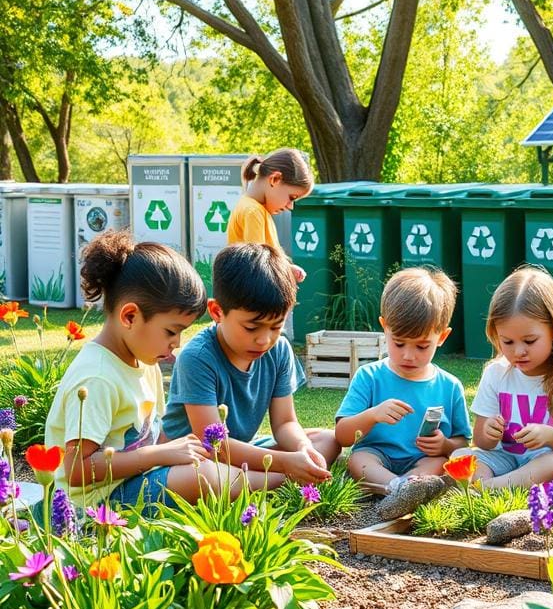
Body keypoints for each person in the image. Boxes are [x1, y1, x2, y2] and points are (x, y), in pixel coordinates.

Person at [46, 230, 212, 510]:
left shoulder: (143, 360)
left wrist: (176, 453)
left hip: (134, 483)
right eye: (171, 331)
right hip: (90, 506)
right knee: (206, 478)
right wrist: (158, 455)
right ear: (130, 316)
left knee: (206, 466)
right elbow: (76, 471)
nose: (176, 343)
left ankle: (281, 474)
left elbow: (155, 435)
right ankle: (283, 477)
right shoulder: (96, 377)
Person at [162, 243, 338, 488]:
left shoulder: (279, 350)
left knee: (327, 440)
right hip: (192, 459)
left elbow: (285, 423)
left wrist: (303, 448)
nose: (264, 339)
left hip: (242, 452)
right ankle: (284, 480)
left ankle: (268, 481)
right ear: (216, 311)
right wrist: (286, 464)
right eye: (251, 327)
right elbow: (215, 445)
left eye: (276, 327)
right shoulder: (197, 357)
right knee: (206, 476)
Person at [334, 268, 471, 519]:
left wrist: (445, 444)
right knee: (359, 460)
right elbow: (342, 436)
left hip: (422, 461)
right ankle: (397, 488)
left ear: (442, 337)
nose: (409, 355)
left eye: (421, 346)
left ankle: (410, 487)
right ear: (384, 327)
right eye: (398, 343)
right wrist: (373, 415)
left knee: (439, 462)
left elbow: (462, 443)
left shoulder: (449, 386)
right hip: (377, 457)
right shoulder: (369, 376)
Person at [455, 266, 553, 489]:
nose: (518, 352)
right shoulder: (496, 372)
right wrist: (489, 430)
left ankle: (487, 490)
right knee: (461, 454)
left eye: (529, 341)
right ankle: (499, 488)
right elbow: (480, 442)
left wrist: (550, 436)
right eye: (507, 342)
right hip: (505, 461)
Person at [226, 149, 313, 283]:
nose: (291, 206)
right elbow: (258, 266)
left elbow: (267, 259)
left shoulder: (257, 209)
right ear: (275, 179)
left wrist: (287, 268)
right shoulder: (253, 211)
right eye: (291, 197)